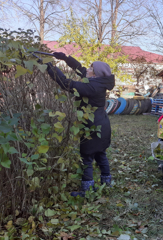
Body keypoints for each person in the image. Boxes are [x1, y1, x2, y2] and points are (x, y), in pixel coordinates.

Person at [46, 52, 115, 197]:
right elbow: (81, 69)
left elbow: (66, 83)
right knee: (100, 153)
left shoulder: (92, 87)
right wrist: (66, 58)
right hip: (102, 124)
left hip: (92, 125)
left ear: (95, 74)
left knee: (87, 156)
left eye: (91, 69)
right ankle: (106, 182)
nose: (87, 70)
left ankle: (87, 190)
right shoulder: (98, 82)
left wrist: (49, 67)